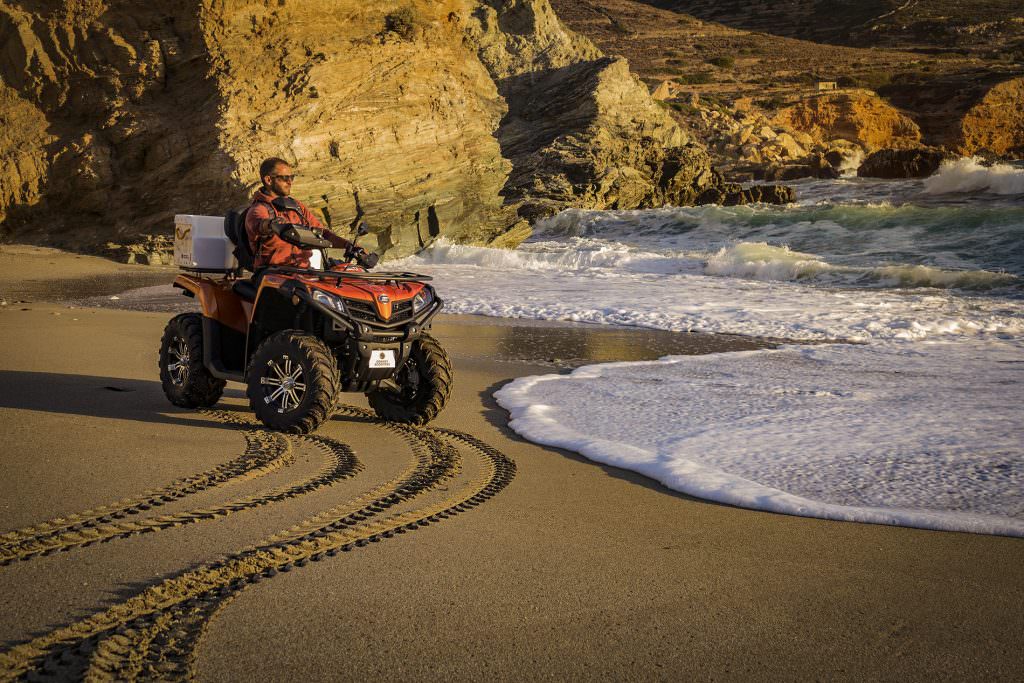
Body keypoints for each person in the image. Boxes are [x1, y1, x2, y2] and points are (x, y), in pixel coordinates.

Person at [245, 157, 359, 269]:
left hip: (304, 272)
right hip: (273, 274)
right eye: (285, 178)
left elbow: (323, 234)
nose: (290, 182)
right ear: (268, 180)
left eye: (291, 177)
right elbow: (260, 225)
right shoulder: (258, 209)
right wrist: (272, 224)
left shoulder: (297, 207)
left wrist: (348, 245)